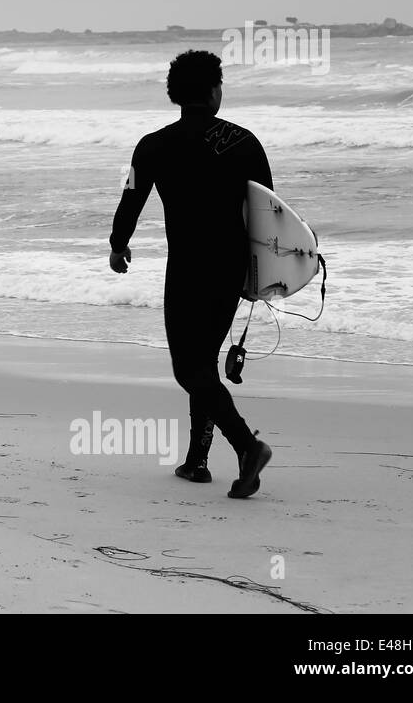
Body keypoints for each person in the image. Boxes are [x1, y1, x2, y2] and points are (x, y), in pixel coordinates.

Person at [107, 50, 273, 499]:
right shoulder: (244, 142)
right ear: (214, 91)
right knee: (202, 362)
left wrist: (118, 246)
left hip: (186, 270)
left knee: (189, 368)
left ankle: (245, 446)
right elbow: (269, 215)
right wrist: (261, 276)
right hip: (230, 270)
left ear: (175, 94)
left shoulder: (155, 145)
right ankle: (197, 461)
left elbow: (131, 201)